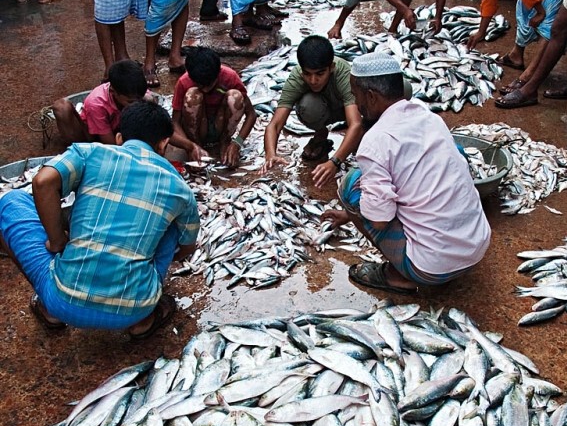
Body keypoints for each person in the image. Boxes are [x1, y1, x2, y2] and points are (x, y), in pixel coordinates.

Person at [0, 100, 200, 337]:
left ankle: (49, 311)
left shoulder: (89, 152)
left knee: (11, 202)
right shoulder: (181, 188)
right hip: (135, 309)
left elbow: (42, 182)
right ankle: (144, 322)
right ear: (164, 144)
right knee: (174, 225)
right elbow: (187, 247)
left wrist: (57, 241)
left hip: (62, 300)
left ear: (118, 138)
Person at [321, 53, 490, 293]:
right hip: (477, 247)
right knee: (455, 150)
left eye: (355, 94)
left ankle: (400, 276)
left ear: (370, 96)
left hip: (431, 268)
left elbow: (379, 220)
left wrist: (356, 211)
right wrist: (349, 217)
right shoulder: (429, 117)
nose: (355, 102)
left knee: (350, 184)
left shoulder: (375, 140)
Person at [263, 36, 363, 188]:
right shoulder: (297, 77)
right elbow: (275, 124)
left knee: (362, 142)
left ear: (332, 67)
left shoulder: (343, 73)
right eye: (307, 74)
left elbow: (355, 123)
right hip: (322, 109)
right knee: (307, 106)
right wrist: (270, 154)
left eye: (320, 74)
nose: (313, 80)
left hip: (351, 108)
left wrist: (335, 161)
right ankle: (320, 135)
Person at [170, 46, 257, 166]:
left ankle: (224, 141)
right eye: (201, 85)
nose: (205, 90)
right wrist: (189, 146)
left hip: (220, 125)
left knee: (235, 96)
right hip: (197, 128)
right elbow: (175, 122)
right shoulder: (184, 82)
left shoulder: (229, 77)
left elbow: (251, 115)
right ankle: (197, 144)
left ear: (218, 74)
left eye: (209, 85)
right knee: (193, 95)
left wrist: (237, 143)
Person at [52, 59, 148, 144]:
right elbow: (110, 144)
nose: (136, 104)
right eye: (130, 102)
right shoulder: (96, 104)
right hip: (90, 135)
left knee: (149, 100)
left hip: (116, 127)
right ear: (113, 92)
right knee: (61, 108)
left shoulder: (134, 88)